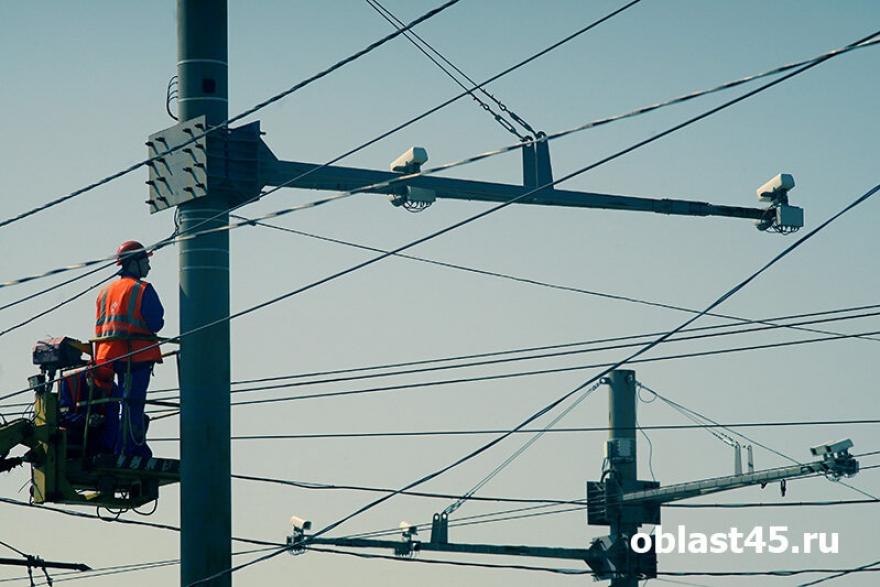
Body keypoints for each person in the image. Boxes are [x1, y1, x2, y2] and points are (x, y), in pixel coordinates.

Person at [94, 240, 164, 459]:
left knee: (118, 403)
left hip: (108, 356)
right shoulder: (141, 289)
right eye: (145, 261)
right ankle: (130, 448)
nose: (149, 267)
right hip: (136, 354)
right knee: (133, 404)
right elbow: (156, 322)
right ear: (134, 263)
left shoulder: (104, 292)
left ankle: (117, 445)